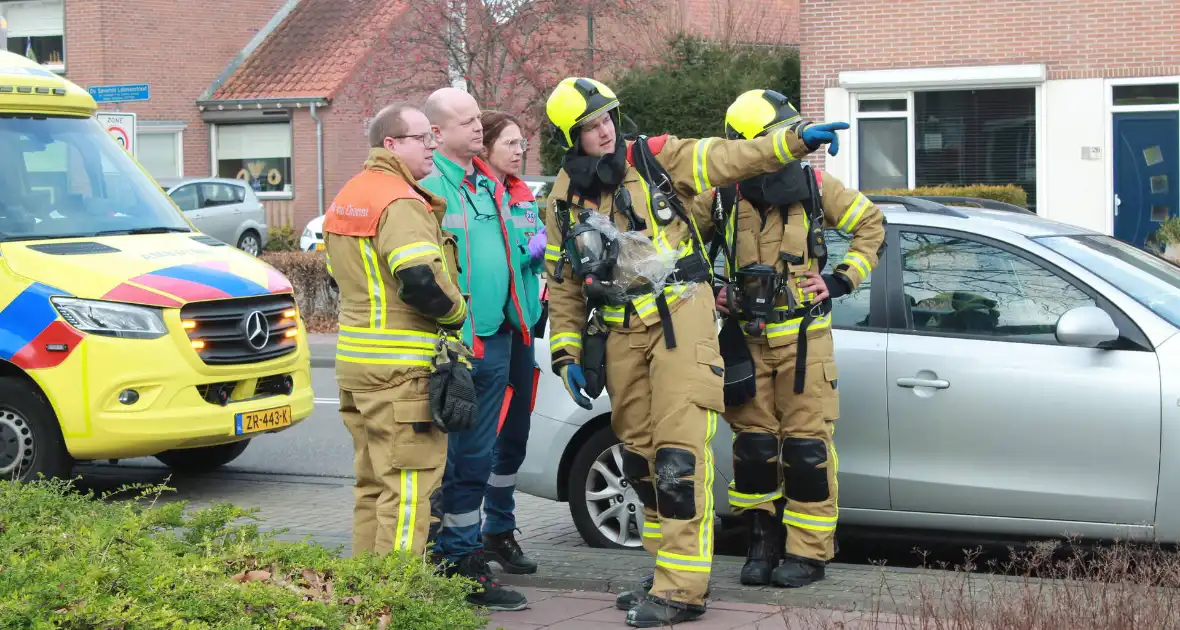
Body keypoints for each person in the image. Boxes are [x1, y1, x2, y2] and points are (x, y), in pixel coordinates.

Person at [540, 76, 848, 628]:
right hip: (618, 332)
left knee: (680, 457)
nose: (605, 129)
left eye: (608, 117)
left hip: (680, 318)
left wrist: (796, 140)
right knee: (639, 458)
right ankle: (664, 574)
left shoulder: (658, 158)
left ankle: (683, 589)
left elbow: (733, 157)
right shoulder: (563, 197)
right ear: (572, 136)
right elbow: (563, 282)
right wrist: (566, 352)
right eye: (590, 126)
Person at [709, 89, 886, 588]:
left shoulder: (814, 186)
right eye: (774, 138)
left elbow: (872, 224)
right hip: (745, 342)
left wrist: (840, 279)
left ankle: (808, 553)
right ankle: (762, 541)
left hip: (806, 345)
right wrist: (713, 292)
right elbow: (685, 250)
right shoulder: (722, 196)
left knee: (807, 450)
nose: (788, 146)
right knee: (755, 448)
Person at [322, 102, 468, 560]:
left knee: (371, 484)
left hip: (357, 367)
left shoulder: (348, 195)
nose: (432, 146)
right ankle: (396, 598)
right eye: (422, 138)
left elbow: (338, 277)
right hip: (401, 372)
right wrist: (457, 315)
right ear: (391, 144)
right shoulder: (401, 201)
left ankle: (366, 593)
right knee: (409, 489)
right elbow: (421, 279)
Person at [419, 87, 533, 613]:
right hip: (465, 344)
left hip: (502, 334)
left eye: (475, 120)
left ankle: (462, 554)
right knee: (465, 459)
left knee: (480, 454)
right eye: (465, 122)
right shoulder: (429, 186)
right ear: (437, 133)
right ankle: (458, 561)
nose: (474, 128)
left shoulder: (486, 185)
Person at [473, 109, 547, 574]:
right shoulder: (478, 194)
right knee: (480, 440)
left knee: (514, 439)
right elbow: (493, 258)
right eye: (511, 144)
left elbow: (537, 263)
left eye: (523, 144)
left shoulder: (523, 196)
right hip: (489, 331)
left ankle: (499, 530)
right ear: (486, 150)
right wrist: (527, 252)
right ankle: (461, 539)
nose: (521, 151)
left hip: (522, 329)